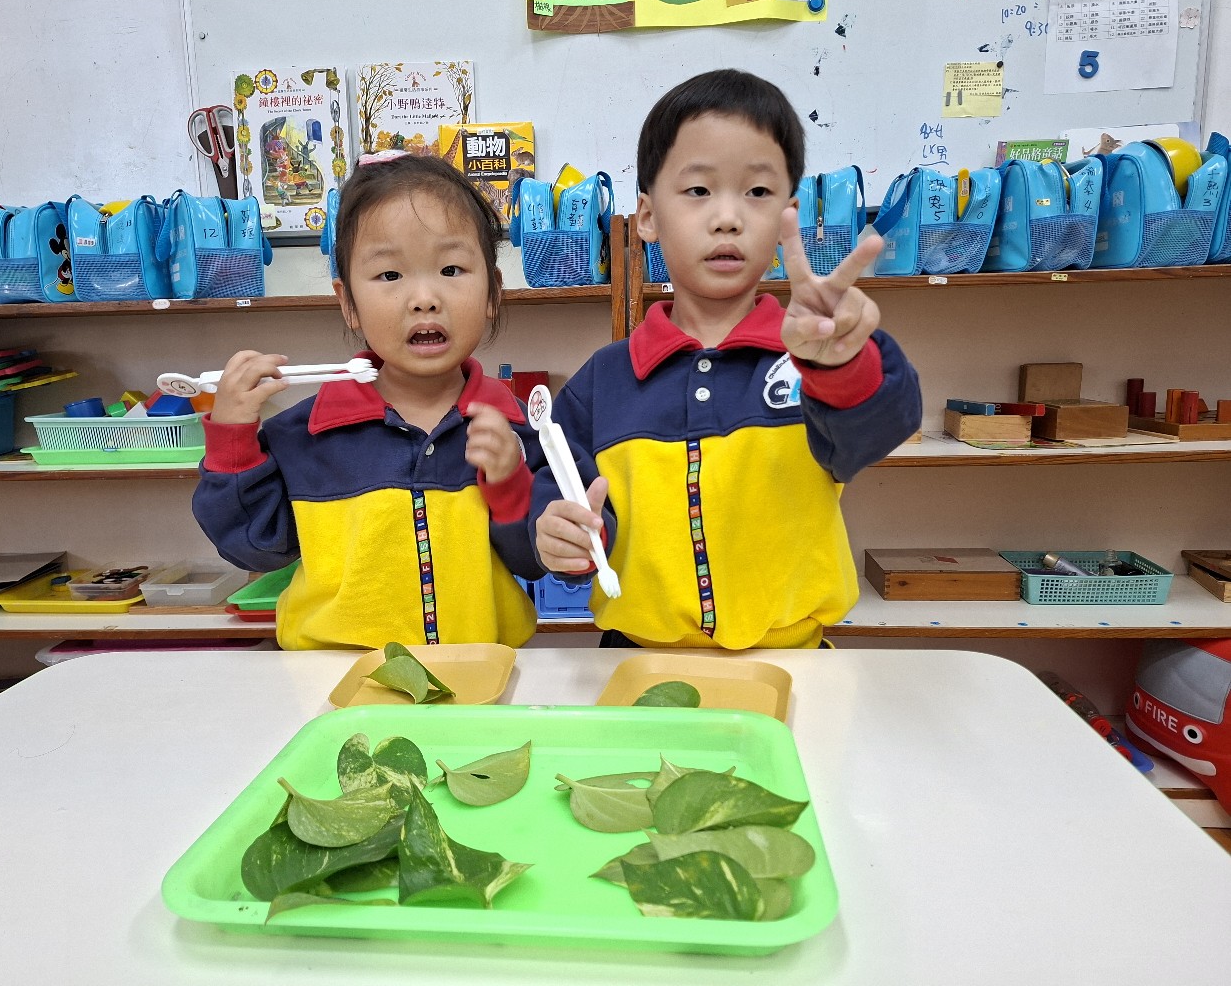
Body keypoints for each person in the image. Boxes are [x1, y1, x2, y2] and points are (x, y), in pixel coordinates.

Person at [530, 69, 922, 650]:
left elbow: (883, 424)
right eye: (698, 190)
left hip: (794, 663)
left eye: (757, 192)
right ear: (648, 217)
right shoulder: (604, 381)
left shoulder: (808, 363)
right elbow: (558, 486)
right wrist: (566, 537)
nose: (728, 217)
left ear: (789, 214)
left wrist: (839, 365)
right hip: (641, 665)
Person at [193, 154, 544, 650]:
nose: (424, 298)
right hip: (330, 677)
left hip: (477, 676)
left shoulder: (517, 430)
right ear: (348, 303)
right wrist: (233, 441)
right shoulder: (305, 434)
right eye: (389, 275)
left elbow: (535, 561)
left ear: (492, 292)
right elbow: (253, 548)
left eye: (451, 269)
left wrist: (509, 483)